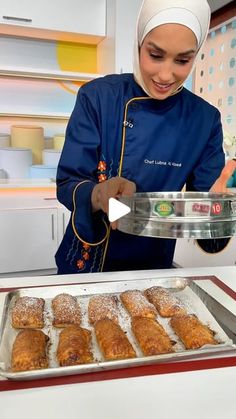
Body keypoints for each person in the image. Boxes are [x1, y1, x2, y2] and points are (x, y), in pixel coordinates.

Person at [55, 0, 236, 275]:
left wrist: (223, 212)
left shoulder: (204, 119)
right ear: (139, 43)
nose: (165, 75)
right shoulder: (98, 97)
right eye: (155, 55)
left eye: (182, 60)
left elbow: (205, 218)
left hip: (153, 269)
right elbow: (68, 183)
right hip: (88, 261)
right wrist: (97, 193)